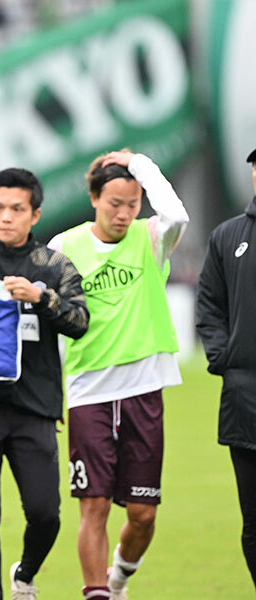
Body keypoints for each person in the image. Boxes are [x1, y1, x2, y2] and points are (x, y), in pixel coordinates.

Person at [49, 150, 189, 600]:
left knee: (143, 514)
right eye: (115, 204)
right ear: (93, 198)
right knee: (94, 506)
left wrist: (141, 164)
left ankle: (119, 577)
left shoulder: (151, 239)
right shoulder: (63, 248)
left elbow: (176, 212)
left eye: (132, 203)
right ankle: (96, 594)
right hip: (88, 391)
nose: (125, 213)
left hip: (144, 391)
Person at [0, 168, 89, 600]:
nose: (6, 217)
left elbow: (80, 321)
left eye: (17, 209)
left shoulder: (53, 265)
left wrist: (40, 297)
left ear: (35, 214)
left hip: (35, 408)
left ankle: (25, 575)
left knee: (45, 513)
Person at [195, 147, 256, 588]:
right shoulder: (227, 236)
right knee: (253, 521)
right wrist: (225, 360)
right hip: (244, 397)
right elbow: (209, 308)